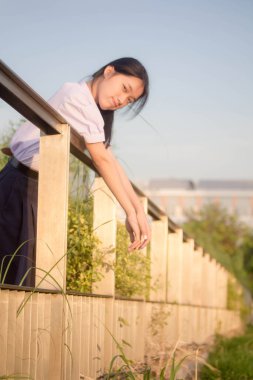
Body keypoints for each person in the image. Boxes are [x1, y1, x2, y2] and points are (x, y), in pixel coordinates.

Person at [0, 57, 151, 287]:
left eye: (128, 100)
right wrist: (129, 212)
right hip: (19, 186)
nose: (121, 100)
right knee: (14, 275)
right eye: (124, 89)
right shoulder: (77, 97)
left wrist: (138, 209)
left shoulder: (91, 109)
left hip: (31, 188)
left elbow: (110, 159)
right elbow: (101, 159)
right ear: (109, 72)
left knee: (20, 276)